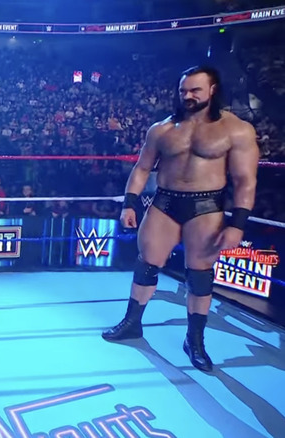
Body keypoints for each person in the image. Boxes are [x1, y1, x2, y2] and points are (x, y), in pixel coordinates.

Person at [102, 66, 259, 372]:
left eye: (195, 90)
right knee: (146, 263)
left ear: (212, 90)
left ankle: (195, 341)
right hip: (165, 201)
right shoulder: (161, 129)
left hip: (207, 204)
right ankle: (132, 323)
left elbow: (245, 180)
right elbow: (142, 168)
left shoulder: (235, 129)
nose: (188, 96)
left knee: (199, 275)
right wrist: (129, 204)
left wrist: (238, 223)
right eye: (183, 91)